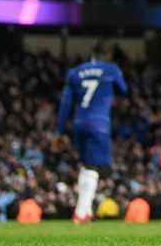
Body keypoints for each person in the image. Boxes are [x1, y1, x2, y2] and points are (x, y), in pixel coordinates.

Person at [55, 41, 129, 224]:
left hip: (79, 123)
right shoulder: (111, 69)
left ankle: (86, 211)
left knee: (86, 165)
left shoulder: (75, 72)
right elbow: (124, 90)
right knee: (94, 168)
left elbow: (65, 104)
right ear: (109, 53)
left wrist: (59, 131)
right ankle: (80, 213)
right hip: (99, 123)